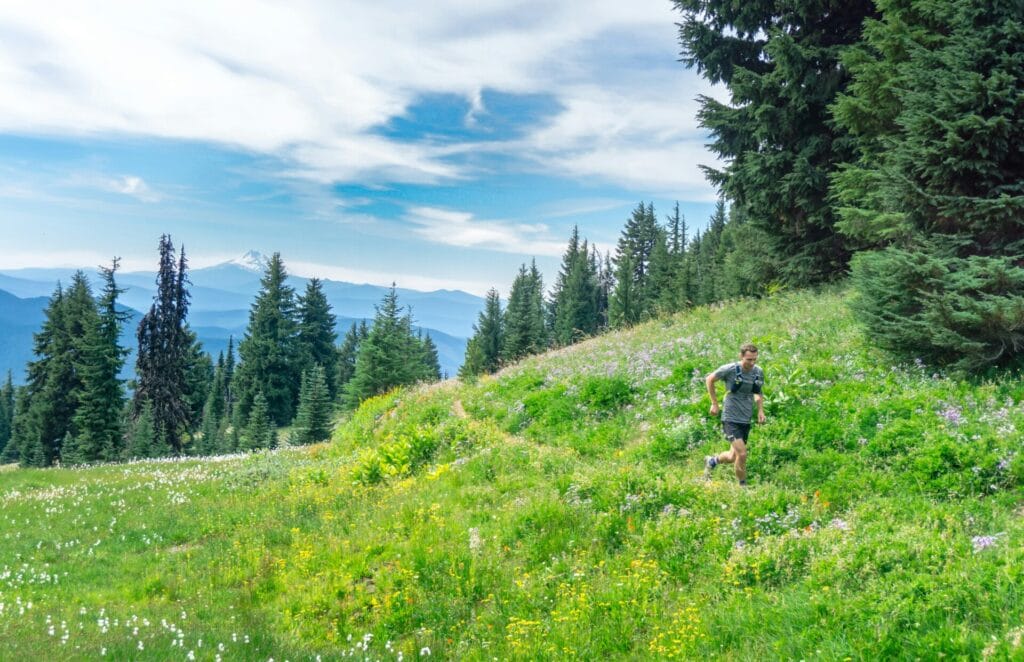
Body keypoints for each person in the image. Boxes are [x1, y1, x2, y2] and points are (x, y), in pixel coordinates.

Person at [703, 343, 765, 486]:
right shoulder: (731, 369)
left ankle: (712, 461)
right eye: (749, 359)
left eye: (755, 359)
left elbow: (758, 392)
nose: (752, 363)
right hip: (730, 417)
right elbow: (709, 379)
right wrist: (714, 403)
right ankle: (742, 487)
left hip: (746, 418)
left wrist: (760, 410)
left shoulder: (758, 372)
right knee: (742, 454)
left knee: (732, 456)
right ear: (741, 356)